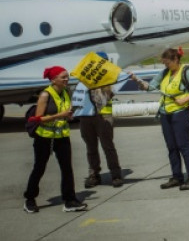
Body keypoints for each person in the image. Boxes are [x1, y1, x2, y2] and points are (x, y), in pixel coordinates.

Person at [130, 47, 189, 191]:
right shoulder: (165, 73)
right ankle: (177, 176)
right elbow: (150, 87)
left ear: (176, 60)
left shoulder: (186, 72)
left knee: (183, 145)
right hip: (165, 113)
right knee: (171, 147)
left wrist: (185, 99)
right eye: (164, 64)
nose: (166, 66)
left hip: (180, 113)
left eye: (167, 63)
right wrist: (137, 80)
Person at [23, 66, 88, 213]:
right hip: (44, 137)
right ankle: (30, 199)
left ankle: (70, 200)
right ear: (53, 80)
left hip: (61, 136)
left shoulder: (66, 92)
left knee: (67, 168)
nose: (66, 79)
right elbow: (39, 119)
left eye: (67, 76)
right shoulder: (45, 95)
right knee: (39, 168)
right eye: (63, 77)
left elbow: (65, 112)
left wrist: (69, 115)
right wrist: (60, 115)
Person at [72, 81, 124, 188]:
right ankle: (94, 174)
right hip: (85, 117)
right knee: (90, 148)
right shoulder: (81, 83)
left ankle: (115, 175)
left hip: (103, 117)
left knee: (108, 147)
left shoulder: (106, 82)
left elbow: (110, 95)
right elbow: (76, 99)